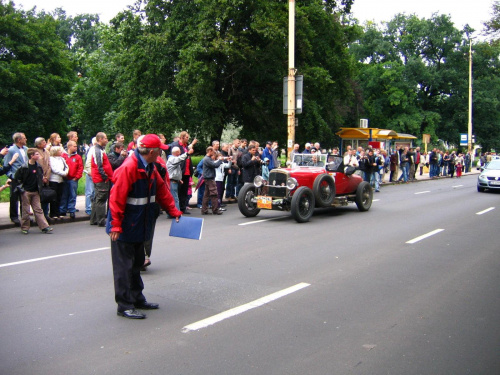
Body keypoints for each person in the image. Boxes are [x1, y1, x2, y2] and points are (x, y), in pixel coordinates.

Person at [107, 134, 183, 319]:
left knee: (136, 264)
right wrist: (116, 226)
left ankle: (137, 298)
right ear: (151, 151)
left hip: (139, 225)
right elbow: (116, 199)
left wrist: (174, 211)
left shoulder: (149, 166)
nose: (161, 153)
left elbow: (162, 191)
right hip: (125, 227)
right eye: (159, 151)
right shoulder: (129, 168)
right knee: (124, 268)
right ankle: (124, 305)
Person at [14, 148, 53, 234]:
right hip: (26, 191)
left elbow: (40, 176)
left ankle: (44, 226)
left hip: (36, 191)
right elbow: (17, 179)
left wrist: (42, 180)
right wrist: (22, 190)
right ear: (31, 156)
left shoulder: (38, 166)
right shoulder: (23, 167)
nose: (39, 156)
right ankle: (25, 227)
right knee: (26, 210)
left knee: (38, 209)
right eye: (37, 154)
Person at [169, 131, 197, 213]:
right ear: (182, 137)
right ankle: (175, 209)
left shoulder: (185, 146)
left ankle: (183, 208)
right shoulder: (176, 146)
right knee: (177, 191)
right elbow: (177, 158)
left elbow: (189, 150)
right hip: (180, 172)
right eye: (187, 137)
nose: (188, 139)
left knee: (184, 191)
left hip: (187, 172)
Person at [3, 133, 27, 225]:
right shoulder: (11, 150)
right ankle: (14, 217)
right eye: (24, 138)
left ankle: (24, 216)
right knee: (14, 197)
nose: (26, 139)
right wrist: (11, 176)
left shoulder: (26, 149)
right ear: (19, 140)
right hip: (15, 177)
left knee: (24, 198)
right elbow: (7, 164)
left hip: (25, 177)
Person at [90, 132, 113, 227]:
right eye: (105, 138)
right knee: (101, 199)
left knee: (97, 198)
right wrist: (105, 177)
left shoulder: (100, 150)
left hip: (98, 178)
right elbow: (99, 166)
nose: (106, 140)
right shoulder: (98, 151)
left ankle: (94, 219)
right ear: (100, 139)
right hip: (100, 179)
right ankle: (101, 220)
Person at [60, 141, 83, 219]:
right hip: (64, 178)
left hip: (73, 179)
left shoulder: (77, 157)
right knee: (64, 194)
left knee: (73, 195)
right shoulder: (63, 156)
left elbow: (80, 168)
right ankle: (63, 209)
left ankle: (71, 210)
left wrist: (77, 177)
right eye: (74, 146)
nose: (76, 148)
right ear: (69, 147)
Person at [201, 146, 228, 215]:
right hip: (210, 178)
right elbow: (215, 165)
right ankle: (215, 209)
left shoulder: (207, 159)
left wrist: (223, 159)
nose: (214, 153)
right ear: (210, 151)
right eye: (213, 151)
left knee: (206, 195)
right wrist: (220, 160)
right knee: (214, 194)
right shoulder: (207, 159)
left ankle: (204, 210)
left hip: (207, 178)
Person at [167, 146, 193, 210]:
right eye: (179, 152)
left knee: (173, 198)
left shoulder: (173, 159)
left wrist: (179, 179)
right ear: (177, 152)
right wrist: (187, 153)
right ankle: (177, 214)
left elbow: (176, 171)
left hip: (174, 180)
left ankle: (171, 213)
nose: (180, 153)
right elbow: (180, 159)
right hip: (172, 181)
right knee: (175, 199)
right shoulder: (172, 159)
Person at [48, 146, 69, 219]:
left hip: (61, 179)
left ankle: (58, 212)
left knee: (59, 196)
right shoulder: (51, 159)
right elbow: (54, 169)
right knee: (54, 197)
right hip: (54, 179)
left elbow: (66, 166)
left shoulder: (62, 159)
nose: (61, 152)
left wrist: (66, 172)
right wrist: (63, 173)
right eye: (60, 151)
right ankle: (53, 213)